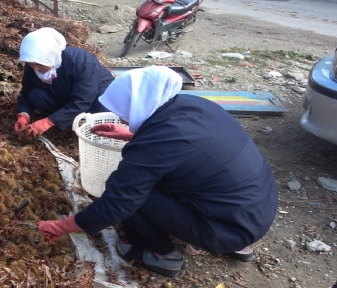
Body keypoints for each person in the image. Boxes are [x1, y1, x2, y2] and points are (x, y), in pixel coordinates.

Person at [36, 66, 279, 277]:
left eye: (123, 111)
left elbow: (117, 204)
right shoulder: (195, 104)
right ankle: (238, 244)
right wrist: (130, 134)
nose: (122, 117)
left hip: (228, 227)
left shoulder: (156, 144)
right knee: (178, 179)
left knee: (124, 191)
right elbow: (186, 146)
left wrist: (62, 226)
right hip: (259, 209)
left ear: (136, 104)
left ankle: (163, 254)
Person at [13, 27, 115, 137]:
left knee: (103, 113)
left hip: (96, 97)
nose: (35, 69)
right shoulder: (34, 63)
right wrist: (23, 114)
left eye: (39, 64)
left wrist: (48, 121)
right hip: (65, 94)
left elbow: (82, 101)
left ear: (50, 56)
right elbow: (27, 91)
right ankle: (66, 121)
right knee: (35, 95)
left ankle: (79, 124)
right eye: (31, 64)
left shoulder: (81, 62)